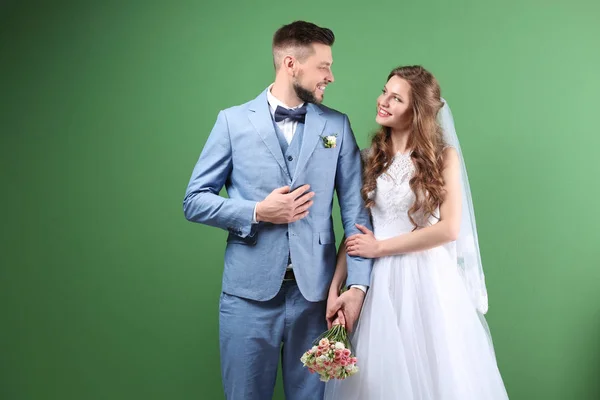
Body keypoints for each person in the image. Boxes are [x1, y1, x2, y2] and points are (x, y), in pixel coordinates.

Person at [183, 20, 373, 400]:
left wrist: (357, 286)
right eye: (323, 66)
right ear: (291, 64)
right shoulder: (232, 122)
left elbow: (357, 215)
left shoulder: (337, 125)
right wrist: (257, 211)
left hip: (317, 299)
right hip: (247, 298)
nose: (331, 77)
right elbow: (194, 200)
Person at [324, 65, 509, 399]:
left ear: (417, 111)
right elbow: (357, 232)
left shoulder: (443, 158)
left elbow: (449, 229)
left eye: (396, 98)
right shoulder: (369, 158)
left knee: (436, 375)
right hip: (376, 284)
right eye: (385, 91)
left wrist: (380, 248)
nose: (383, 101)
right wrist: (337, 285)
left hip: (427, 282)